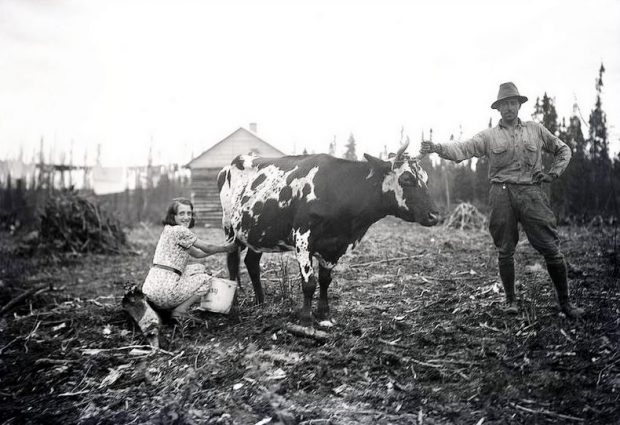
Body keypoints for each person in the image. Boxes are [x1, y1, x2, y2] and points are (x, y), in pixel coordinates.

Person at [420, 82, 584, 318]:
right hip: (501, 194)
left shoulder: (536, 130)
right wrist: (437, 147)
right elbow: (463, 149)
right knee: (505, 250)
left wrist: (552, 174)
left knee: (551, 248)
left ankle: (566, 304)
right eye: (504, 104)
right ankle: (510, 301)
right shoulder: (489, 136)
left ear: (518, 105)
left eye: (513, 103)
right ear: (498, 109)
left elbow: (564, 149)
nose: (509, 107)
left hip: (532, 194)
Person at [141, 197, 236, 322]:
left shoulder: (169, 230)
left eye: (189, 213)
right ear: (173, 216)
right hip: (164, 293)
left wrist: (219, 248)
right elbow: (206, 247)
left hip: (150, 291)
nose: (186, 217)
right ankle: (179, 311)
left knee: (199, 268)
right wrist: (227, 248)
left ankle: (169, 306)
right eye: (181, 213)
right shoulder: (180, 231)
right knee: (206, 280)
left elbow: (197, 254)